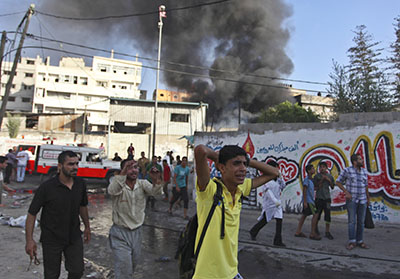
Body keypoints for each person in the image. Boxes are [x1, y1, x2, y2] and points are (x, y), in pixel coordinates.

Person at [193, 144, 279, 279]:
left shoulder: (241, 188)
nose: (243, 169)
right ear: (222, 167)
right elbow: (200, 150)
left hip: (232, 273)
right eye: (236, 163)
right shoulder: (210, 191)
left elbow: (274, 172)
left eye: (244, 164)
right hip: (208, 275)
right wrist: (217, 157)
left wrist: (249, 161)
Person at [25, 151, 91, 278]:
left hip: (74, 236)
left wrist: (87, 227)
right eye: (71, 164)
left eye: (77, 164)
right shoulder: (47, 188)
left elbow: (83, 206)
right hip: (51, 238)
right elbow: (32, 214)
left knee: (77, 270)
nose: (75, 167)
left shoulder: (80, 184)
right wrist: (29, 240)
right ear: (60, 166)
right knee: (51, 274)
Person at [108, 159, 162, 278]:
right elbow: (112, 191)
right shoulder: (117, 184)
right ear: (123, 170)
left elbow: (157, 193)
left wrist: (156, 180)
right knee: (124, 269)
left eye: (136, 167)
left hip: (137, 232)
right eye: (130, 167)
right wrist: (122, 173)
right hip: (120, 233)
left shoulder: (142, 184)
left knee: (132, 265)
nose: (134, 171)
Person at [336, 154, 370, 250]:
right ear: (355, 162)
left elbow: (366, 185)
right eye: (360, 159)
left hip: (362, 200)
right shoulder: (347, 171)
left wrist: (368, 198)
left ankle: (360, 241)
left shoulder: (364, 171)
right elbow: (338, 181)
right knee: (352, 221)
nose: (362, 160)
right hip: (352, 200)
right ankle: (352, 241)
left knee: (361, 222)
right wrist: (346, 192)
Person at [249, 161, 287, 246]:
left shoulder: (277, 180)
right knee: (265, 220)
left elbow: (283, 186)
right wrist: (274, 201)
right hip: (269, 204)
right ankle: (253, 231)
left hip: (277, 204)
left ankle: (277, 240)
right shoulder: (265, 180)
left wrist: (281, 178)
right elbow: (268, 192)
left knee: (279, 220)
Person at [294, 164, 321, 240]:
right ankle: (312, 233)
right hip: (309, 201)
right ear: (309, 171)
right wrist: (305, 201)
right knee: (315, 214)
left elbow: (312, 189)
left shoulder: (311, 180)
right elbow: (305, 190)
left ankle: (298, 231)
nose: (314, 170)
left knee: (304, 215)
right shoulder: (306, 180)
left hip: (310, 200)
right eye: (312, 169)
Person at [314, 161, 335, 240]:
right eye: (320, 167)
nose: (322, 169)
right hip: (319, 197)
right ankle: (315, 228)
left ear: (326, 168)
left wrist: (329, 181)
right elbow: (316, 187)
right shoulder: (317, 176)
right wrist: (322, 180)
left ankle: (327, 231)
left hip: (327, 198)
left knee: (328, 215)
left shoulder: (330, 176)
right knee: (317, 215)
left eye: (323, 167)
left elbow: (332, 186)